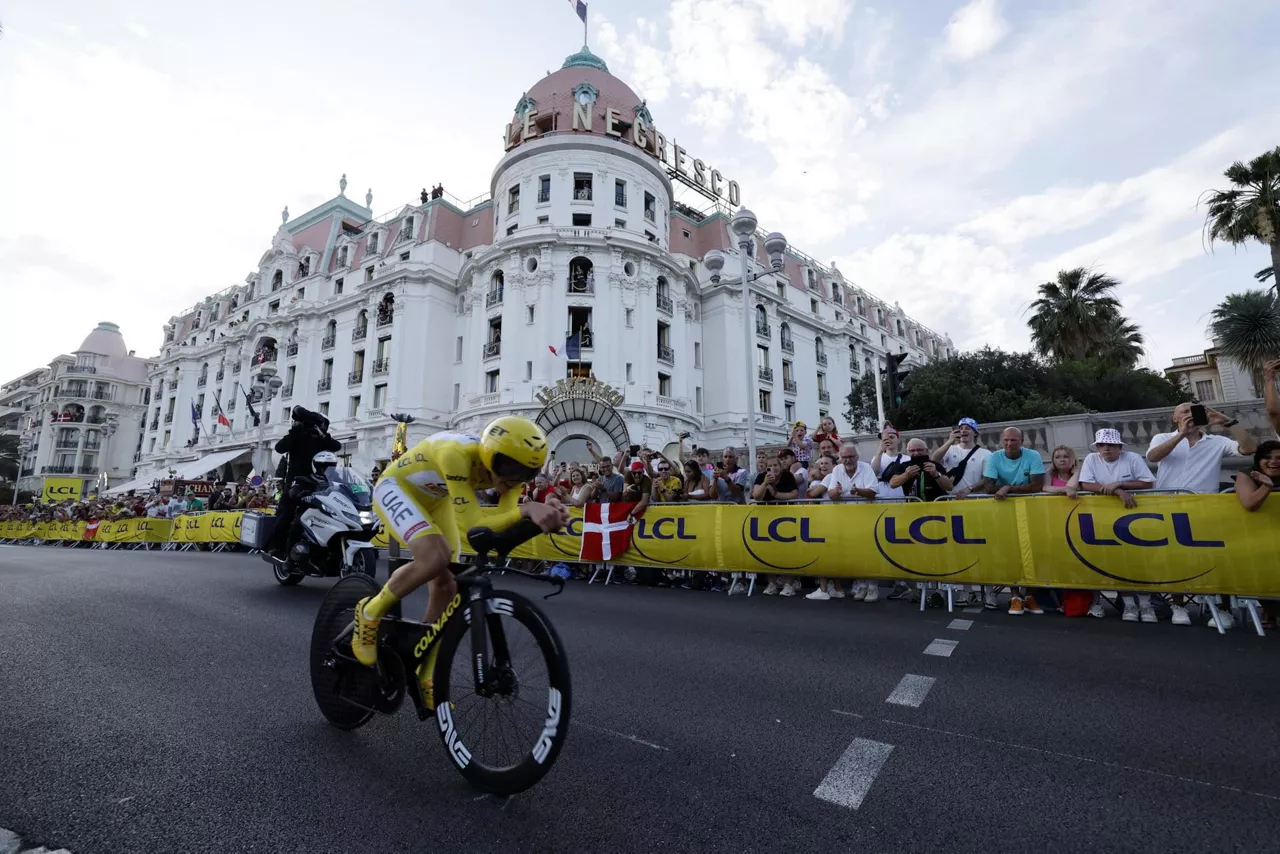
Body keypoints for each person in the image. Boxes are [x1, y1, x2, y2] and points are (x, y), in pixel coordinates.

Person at [354, 417, 568, 705]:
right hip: (397, 488)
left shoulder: (510, 474)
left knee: (448, 583)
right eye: (509, 469)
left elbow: (496, 528)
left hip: (436, 499)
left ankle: (424, 667)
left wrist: (542, 519)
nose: (513, 479)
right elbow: (473, 523)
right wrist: (527, 510)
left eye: (525, 474)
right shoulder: (456, 454)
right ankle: (369, 612)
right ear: (489, 452)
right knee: (434, 558)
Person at [1145, 402, 1256, 629]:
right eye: (1184, 412)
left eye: (1194, 411)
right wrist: (1182, 436)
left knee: (1216, 559)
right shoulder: (1162, 437)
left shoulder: (1218, 442)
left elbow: (1249, 448)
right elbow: (1153, 457)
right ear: (1174, 418)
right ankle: (1178, 605)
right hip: (1169, 509)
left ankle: (1224, 610)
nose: (1190, 415)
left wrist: (1227, 422)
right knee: (1174, 559)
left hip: (1204, 509)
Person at [973, 427, 1045, 615]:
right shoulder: (994, 457)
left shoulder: (1033, 455)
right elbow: (989, 487)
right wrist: (1014, 487)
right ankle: (1014, 596)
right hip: (1003, 511)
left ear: (1022, 441)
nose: (1009, 444)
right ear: (1001, 441)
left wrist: (1006, 488)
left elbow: (1037, 486)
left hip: (1030, 510)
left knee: (1033, 551)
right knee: (1009, 552)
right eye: (1006, 440)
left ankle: (1029, 596)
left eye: (1013, 440)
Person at [267, 406, 341, 558]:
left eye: (321, 425)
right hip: (296, 482)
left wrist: (322, 435)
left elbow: (336, 447)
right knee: (286, 513)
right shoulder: (297, 436)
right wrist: (295, 430)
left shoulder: (323, 440)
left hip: (319, 484)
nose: (319, 427)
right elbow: (280, 448)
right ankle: (276, 547)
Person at [1236, 440, 1280, 628]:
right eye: (1268, 458)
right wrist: (1266, 487)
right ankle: (1270, 612)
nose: (1273, 462)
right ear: (1258, 460)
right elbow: (1249, 504)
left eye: (1279, 458)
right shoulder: (1246, 475)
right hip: (1258, 537)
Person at [752, 456, 800, 596]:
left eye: (775, 465)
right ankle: (771, 583)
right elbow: (757, 496)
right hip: (767, 517)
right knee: (768, 552)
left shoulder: (788, 476)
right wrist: (765, 483)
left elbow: (794, 494)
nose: (773, 468)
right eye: (769, 466)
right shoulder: (761, 477)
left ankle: (788, 584)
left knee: (788, 552)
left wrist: (776, 494)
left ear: (780, 466)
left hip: (787, 517)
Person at [883, 438, 954, 502]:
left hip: (936, 507)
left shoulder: (935, 465)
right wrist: (906, 475)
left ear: (926, 451)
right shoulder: (904, 466)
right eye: (912, 450)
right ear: (908, 452)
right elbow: (892, 483)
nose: (916, 453)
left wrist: (936, 474)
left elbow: (949, 487)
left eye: (919, 450)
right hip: (914, 509)